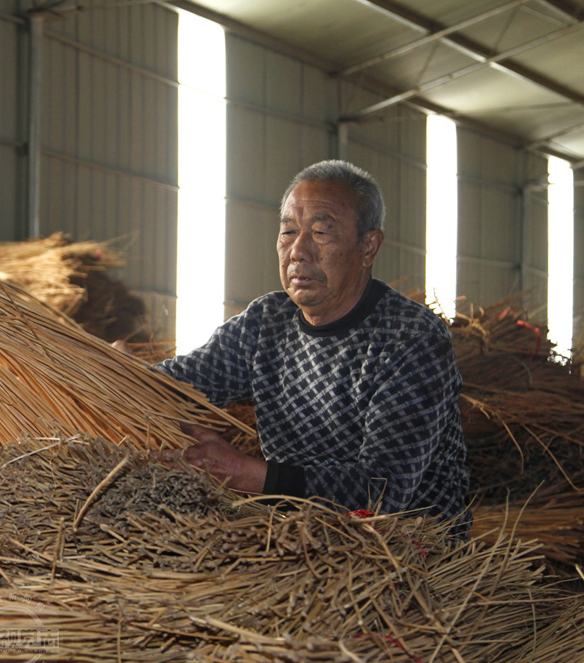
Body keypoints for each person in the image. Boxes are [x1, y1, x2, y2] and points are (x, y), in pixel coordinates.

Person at [156, 159, 471, 537]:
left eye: (321, 232)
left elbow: (381, 491)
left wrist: (247, 473)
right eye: (288, 232)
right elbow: (179, 386)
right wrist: (117, 369)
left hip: (407, 552)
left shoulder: (410, 338)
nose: (298, 251)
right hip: (298, 538)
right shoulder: (267, 322)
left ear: (369, 247)